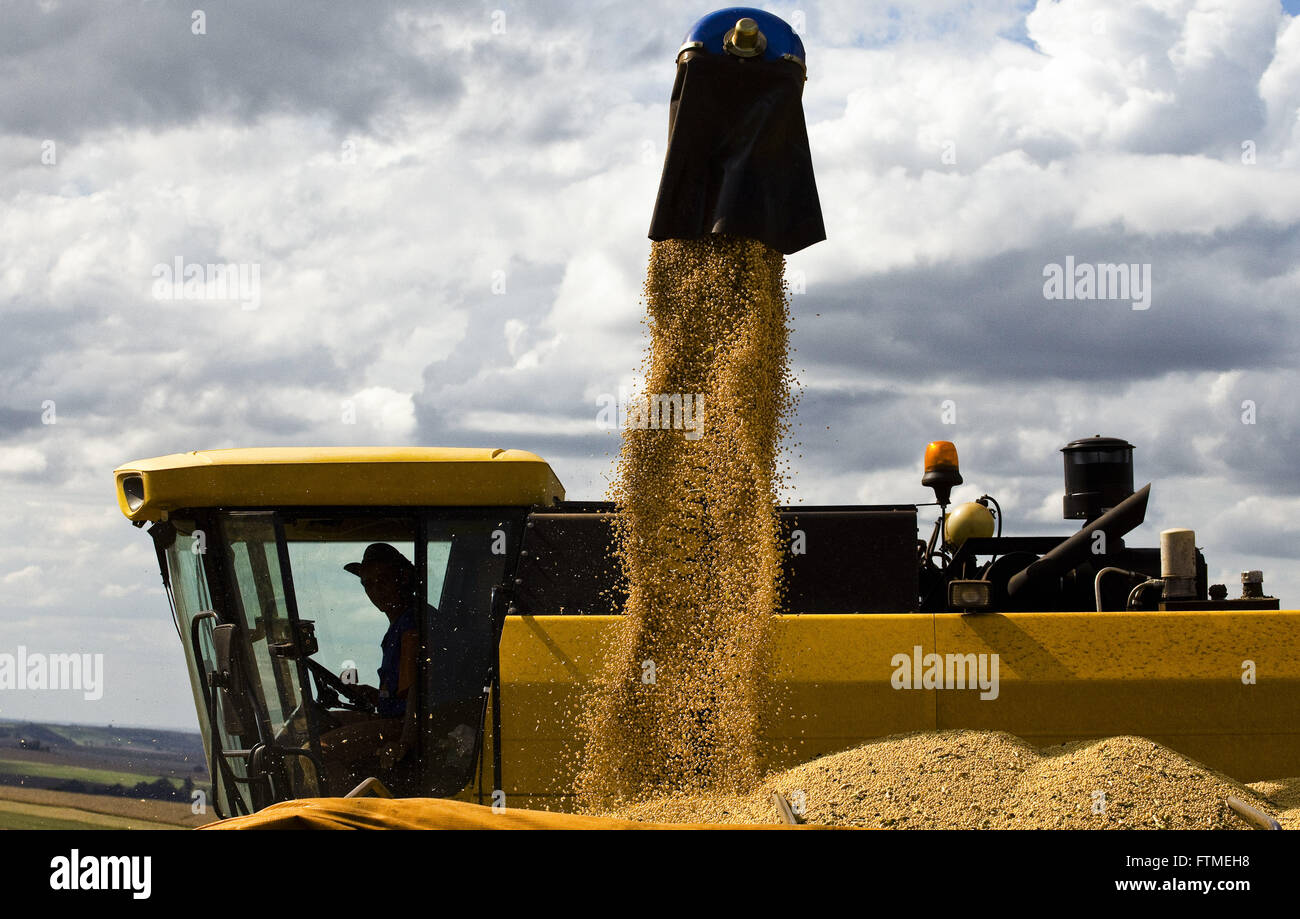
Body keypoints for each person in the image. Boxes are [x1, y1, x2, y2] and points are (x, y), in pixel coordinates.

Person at [317, 543, 427, 791]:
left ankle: (351, 815)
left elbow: (417, 693)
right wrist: (375, 696)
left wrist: (405, 742)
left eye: (383, 580)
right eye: (368, 584)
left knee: (316, 753)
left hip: (403, 724)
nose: (376, 590)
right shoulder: (400, 623)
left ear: (404, 578)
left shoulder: (411, 625)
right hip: (394, 717)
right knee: (315, 722)